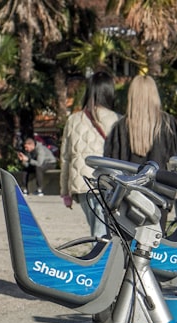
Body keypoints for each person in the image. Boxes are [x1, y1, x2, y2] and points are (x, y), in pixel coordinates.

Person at [60, 70, 120, 238]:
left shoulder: (73, 120)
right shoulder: (117, 119)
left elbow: (65, 158)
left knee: (98, 230)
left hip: (83, 185)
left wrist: (65, 191)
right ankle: (103, 263)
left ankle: (101, 260)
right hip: (110, 184)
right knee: (105, 232)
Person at [105, 74, 177, 166]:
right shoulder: (168, 124)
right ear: (154, 95)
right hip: (162, 179)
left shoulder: (121, 127)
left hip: (130, 179)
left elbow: (111, 163)